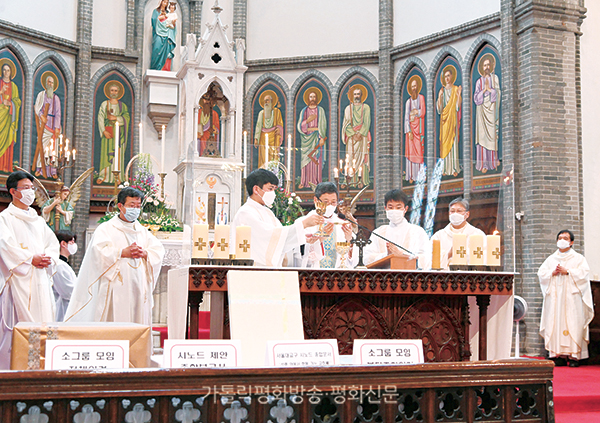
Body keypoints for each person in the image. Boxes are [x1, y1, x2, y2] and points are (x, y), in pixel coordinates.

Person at [64, 187, 165, 325]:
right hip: (116, 288)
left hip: (139, 288)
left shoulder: (142, 231)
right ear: (120, 206)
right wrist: (122, 253)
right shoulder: (106, 228)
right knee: (116, 322)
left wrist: (145, 253)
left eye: (138, 206)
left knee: (138, 322)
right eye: (131, 205)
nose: (135, 209)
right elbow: (98, 252)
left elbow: (158, 250)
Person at [430, 197, 513, 360]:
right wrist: (447, 255)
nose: (455, 214)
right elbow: (429, 259)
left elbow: (480, 260)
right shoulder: (439, 235)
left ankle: (473, 352)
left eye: (459, 211)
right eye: (452, 211)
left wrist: (460, 256)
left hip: (470, 286)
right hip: (445, 286)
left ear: (467, 214)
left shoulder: (477, 234)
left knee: (471, 321)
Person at [0, 171, 59, 369]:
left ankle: (43, 366)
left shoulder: (38, 220)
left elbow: (52, 244)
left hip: (41, 278)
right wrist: (29, 259)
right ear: (13, 192)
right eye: (26, 188)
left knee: (44, 321)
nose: (31, 192)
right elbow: (5, 246)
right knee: (18, 327)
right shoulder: (5, 219)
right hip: (19, 280)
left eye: (32, 188)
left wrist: (48, 258)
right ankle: (16, 370)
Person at [230, 168, 323, 267]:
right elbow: (269, 237)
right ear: (256, 189)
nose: (273, 193)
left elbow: (281, 238)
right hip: (254, 268)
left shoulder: (267, 212)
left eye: (274, 189)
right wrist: (303, 224)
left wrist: (304, 237)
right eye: (270, 189)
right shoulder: (246, 213)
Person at [538, 229, 594, 366]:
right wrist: (553, 272)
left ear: (571, 242)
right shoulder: (551, 259)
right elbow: (541, 274)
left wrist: (568, 271)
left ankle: (574, 356)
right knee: (556, 322)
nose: (562, 240)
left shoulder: (578, 258)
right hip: (556, 299)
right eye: (560, 238)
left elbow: (584, 274)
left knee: (573, 323)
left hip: (572, 299)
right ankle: (559, 355)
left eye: (565, 238)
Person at [363, 189, 431, 269]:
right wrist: (387, 256)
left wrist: (401, 255)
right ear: (385, 208)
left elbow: (427, 259)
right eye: (390, 207)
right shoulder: (378, 233)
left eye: (398, 207)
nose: (394, 211)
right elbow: (366, 258)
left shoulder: (418, 232)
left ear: (405, 209)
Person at [302, 182, 356, 268]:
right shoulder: (305, 223)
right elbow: (300, 256)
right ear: (316, 200)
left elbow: (354, 260)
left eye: (334, 202)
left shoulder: (341, 223)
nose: (330, 206)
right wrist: (319, 240)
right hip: (313, 275)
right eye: (326, 202)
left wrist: (349, 240)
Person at [96, 81, 130, 184]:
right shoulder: (104, 104)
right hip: (108, 133)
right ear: (108, 91)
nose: (113, 92)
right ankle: (103, 176)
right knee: (106, 155)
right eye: (112, 90)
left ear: (118, 92)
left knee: (118, 154)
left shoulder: (122, 106)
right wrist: (103, 131)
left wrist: (116, 118)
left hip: (119, 134)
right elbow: (100, 118)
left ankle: (118, 177)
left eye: (115, 90)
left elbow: (126, 118)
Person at [473, 54, 501, 173]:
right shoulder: (479, 81)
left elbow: (498, 93)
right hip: (482, 112)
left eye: (488, 64)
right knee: (483, 137)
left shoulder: (495, 79)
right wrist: (483, 91)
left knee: (492, 136)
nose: (486, 67)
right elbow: (476, 98)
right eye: (484, 65)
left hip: (492, 110)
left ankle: (493, 161)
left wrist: (491, 90)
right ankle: (483, 163)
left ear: (492, 66)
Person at [32, 72, 62, 178]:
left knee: (53, 148)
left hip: (54, 126)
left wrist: (57, 128)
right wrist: (41, 116)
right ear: (46, 83)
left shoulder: (56, 98)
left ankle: (53, 171)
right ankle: (40, 169)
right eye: (49, 82)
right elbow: (37, 108)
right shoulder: (41, 95)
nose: (50, 84)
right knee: (43, 146)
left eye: (52, 83)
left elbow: (58, 113)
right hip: (44, 125)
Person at [341, 84, 371, 187]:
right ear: (352, 96)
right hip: (351, 137)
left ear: (361, 95)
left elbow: (367, 122)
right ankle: (348, 180)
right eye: (355, 94)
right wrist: (352, 134)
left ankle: (361, 180)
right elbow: (345, 124)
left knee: (362, 157)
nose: (356, 96)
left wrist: (360, 133)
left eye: (358, 94)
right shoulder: (348, 108)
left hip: (362, 136)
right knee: (350, 158)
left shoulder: (365, 107)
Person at [297, 87, 327, 188]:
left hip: (316, 137)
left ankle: (316, 181)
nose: (312, 99)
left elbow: (323, 125)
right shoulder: (304, 111)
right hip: (306, 138)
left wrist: (322, 137)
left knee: (315, 159)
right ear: (308, 98)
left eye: (314, 97)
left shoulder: (320, 110)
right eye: (310, 97)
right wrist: (308, 121)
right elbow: (300, 126)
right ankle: (304, 181)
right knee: (305, 158)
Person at [436, 65, 462, 177]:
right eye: (445, 76)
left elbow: (457, 106)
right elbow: (439, 109)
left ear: (452, 76)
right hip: (444, 122)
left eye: (448, 76)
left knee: (453, 143)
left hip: (453, 119)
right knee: (444, 144)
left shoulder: (456, 89)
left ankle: (454, 167)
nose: (447, 78)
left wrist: (459, 95)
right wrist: (440, 97)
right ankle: (445, 169)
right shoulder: (442, 91)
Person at [0, 60, 21, 173]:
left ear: (11, 72)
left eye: (8, 70)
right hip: (0, 116)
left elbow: (17, 101)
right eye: (4, 70)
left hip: (9, 118)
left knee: (8, 140)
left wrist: (11, 104)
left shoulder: (14, 86)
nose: (6, 72)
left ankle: (6, 167)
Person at [404, 75, 426, 183]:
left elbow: (423, 111)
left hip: (419, 128)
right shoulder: (408, 102)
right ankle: (411, 175)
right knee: (411, 153)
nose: (414, 88)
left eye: (415, 86)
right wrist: (408, 131)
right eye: (412, 87)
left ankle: (419, 175)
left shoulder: (421, 98)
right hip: (411, 131)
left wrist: (416, 112)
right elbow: (406, 118)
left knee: (419, 151)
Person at [254, 90, 284, 168]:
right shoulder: (261, 113)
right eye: (264, 101)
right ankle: (263, 170)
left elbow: (280, 124)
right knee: (264, 157)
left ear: (271, 101)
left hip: (274, 137)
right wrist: (256, 138)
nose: (266, 102)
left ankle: (273, 170)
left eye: (267, 100)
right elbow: (258, 125)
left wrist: (279, 129)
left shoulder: (277, 112)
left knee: (273, 156)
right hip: (263, 137)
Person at [53, 230, 78, 322]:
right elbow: (68, 292)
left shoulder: (64, 264)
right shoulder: (59, 265)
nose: (74, 245)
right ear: (63, 243)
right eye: (72, 242)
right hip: (62, 311)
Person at [150, 0, 176, 71]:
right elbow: (153, 21)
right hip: (158, 34)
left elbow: (172, 26)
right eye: (164, 2)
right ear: (161, 2)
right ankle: (155, 67)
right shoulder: (156, 12)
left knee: (167, 51)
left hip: (167, 35)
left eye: (167, 3)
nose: (165, 4)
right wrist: (159, 19)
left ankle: (164, 68)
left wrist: (173, 23)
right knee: (157, 48)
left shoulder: (169, 13)